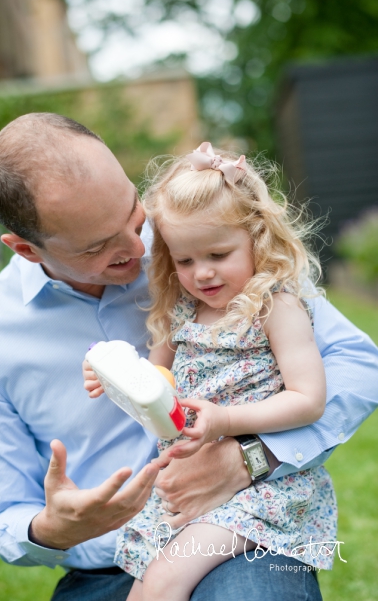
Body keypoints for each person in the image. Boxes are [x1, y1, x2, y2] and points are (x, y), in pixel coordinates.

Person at [0, 113, 378, 600]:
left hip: (243, 525)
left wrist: (252, 458)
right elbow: (2, 512)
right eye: (101, 247)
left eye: (135, 215)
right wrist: (52, 527)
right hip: (108, 564)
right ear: (27, 250)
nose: (139, 249)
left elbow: (357, 365)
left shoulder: (198, 233)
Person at [84, 143, 335, 600]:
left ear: (256, 239)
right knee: (142, 590)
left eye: (218, 255)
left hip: (259, 494)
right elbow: (156, 384)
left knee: (161, 584)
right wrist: (115, 374)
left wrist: (224, 421)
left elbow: (308, 399)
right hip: (189, 486)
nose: (201, 274)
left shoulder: (274, 308)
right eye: (185, 261)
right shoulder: (179, 313)